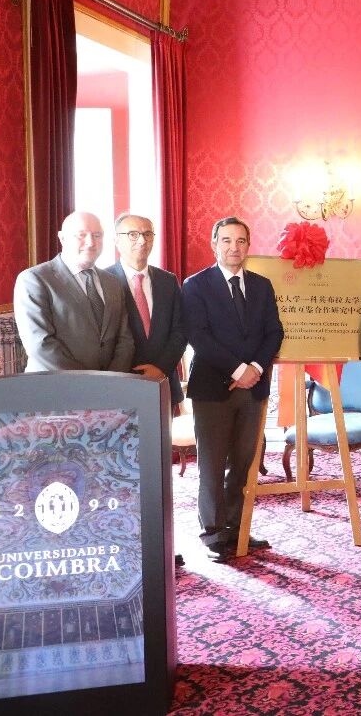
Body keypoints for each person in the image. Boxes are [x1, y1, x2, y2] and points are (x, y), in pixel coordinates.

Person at [182, 217, 284, 563]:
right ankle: (213, 533)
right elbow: (198, 336)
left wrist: (255, 368)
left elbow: (274, 332)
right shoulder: (196, 285)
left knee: (243, 464)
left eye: (241, 241)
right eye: (226, 240)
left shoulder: (262, 286)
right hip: (213, 389)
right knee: (212, 465)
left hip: (253, 389)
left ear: (248, 246)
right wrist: (238, 369)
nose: (234, 247)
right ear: (214, 244)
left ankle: (237, 528)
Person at [14, 211, 134, 373]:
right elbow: (40, 345)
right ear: (62, 238)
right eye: (81, 235)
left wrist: (112, 379)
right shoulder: (34, 279)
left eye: (97, 235)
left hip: (110, 384)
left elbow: (125, 339)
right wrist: (90, 382)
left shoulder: (112, 282)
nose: (90, 242)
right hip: (54, 384)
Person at [105, 214, 187, 407]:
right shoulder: (103, 280)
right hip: (119, 385)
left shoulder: (168, 280)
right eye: (133, 234)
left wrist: (161, 368)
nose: (142, 240)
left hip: (163, 382)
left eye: (147, 234)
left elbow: (181, 329)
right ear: (116, 240)